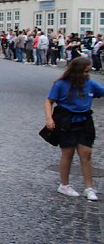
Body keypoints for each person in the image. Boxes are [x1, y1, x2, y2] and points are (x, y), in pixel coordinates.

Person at [45, 57, 104, 201]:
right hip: (67, 120)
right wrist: (49, 118)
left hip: (85, 120)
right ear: (77, 71)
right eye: (85, 71)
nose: (87, 74)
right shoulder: (61, 84)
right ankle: (64, 185)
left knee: (86, 153)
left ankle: (89, 188)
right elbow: (49, 100)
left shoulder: (89, 83)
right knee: (68, 153)